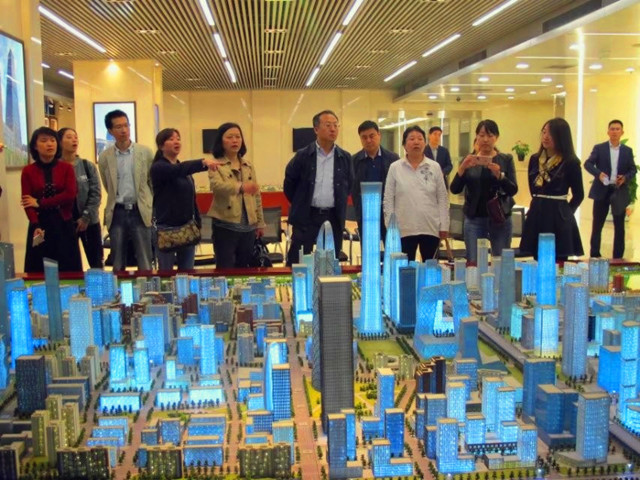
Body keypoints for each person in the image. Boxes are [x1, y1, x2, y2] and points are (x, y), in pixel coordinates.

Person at [284, 110, 353, 265]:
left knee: (329, 263)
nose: (333, 129)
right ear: (316, 129)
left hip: (333, 217)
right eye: (328, 125)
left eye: (336, 125)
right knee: (299, 261)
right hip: (306, 216)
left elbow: (349, 185)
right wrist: (300, 202)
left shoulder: (345, 157)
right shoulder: (302, 155)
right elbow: (289, 183)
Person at [150, 128, 221, 271]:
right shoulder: (159, 167)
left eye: (178, 138)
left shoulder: (183, 169)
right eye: (171, 139)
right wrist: (202, 162)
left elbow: (191, 197)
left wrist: (197, 222)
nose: (176, 142)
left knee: (187, 273)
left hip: (187, 228)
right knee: (166, 274)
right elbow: (177, 170)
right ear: (161, 146)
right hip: (166, 229)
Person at [450, 120, 518, 263]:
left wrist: (500, 176)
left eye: (490, 135)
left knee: (500, 261)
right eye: (481, 135)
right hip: (474, 218)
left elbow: (513, 189)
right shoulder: (469, 160)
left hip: (500, 218)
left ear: (496, 137)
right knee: (473, 262)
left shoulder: (505, 159)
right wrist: (462, 168)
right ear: (476, 137)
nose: (485, 139)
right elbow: (455, 189)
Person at [520, 118, 584, 261]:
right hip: (538, 211)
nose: (546, 137)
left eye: (551, 133)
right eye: (544, 132)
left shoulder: (570, 161)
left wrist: (566, 213)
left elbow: (579, 195)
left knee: (559, 258)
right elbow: (533, 189)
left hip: (559, 214)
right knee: (537, 257)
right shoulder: (535, 159)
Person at [98, 109, 154, 272]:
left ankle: (146, 286)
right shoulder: (105, 157)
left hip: (140, 210)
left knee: (145, 259)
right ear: (110, 131)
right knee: (117, 261)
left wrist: (149, 204)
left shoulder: (145, 152)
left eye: (126, 125)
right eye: (118, 127)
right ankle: (119, 288)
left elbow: (151, 182)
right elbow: (108, 185)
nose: (124, 130)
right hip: (118, 211)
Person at [383, 126, 449, 261]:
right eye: (411, 139)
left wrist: (444, 225)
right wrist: (390, 225)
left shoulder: (434, 167)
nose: (416, 142)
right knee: (405, 268)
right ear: (404, 145)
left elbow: (442, 198)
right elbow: (388, 198)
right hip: (404, 228)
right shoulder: (395, 167)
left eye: (420, 139)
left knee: (430, 268)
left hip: (430, 227)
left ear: (425, 143)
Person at [21, 127, 82, 273]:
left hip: (63, 222)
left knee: (67, 267)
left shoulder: (66, 168)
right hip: (39, 224)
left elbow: (70, 194)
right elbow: (27, 202)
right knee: (38, 268)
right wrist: (35, 224)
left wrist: (40, 202)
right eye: (44, 141)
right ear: (35, 146)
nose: (49, 144)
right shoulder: (28, 171)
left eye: (53, 140)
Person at [206, 123, 265, 269]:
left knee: (244, 268)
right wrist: (240, 187)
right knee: (225, 268)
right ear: (221, 141)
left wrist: (260, 222)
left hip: (248, 227)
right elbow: (217, 187)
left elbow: (256, 196)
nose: (235, 140)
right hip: (225, 225)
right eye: (230, 137)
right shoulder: (215, 164)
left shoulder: (248, 165)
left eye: (238, 137)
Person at [584, 119, 636, 259]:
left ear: (622, 132)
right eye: (612, 129)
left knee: (619, 226)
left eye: (617, 129)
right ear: (608, 132)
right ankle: (595, 255)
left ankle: (618, 258)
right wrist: (598, 174)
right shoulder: (599, 148)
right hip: (602, 189)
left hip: (618, 190)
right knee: (597, 225)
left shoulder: (627, 151)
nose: (614, 131)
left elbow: (633, 169)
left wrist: (625, 177)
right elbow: (588, 164)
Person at [58, 127, 103, 268]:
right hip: (65, 222)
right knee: (69, 264)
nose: (74, 140)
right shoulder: (56, 167)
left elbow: (95, 193)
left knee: (96, 262)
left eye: (75, 137)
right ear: (60, 142)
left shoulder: (87, 165)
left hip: (90, 221)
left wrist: (85, 217)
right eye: (69, 137)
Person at [351, 120, 399, 240]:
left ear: (379, 135)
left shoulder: (393, 159)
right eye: (364, 137)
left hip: (389, 213)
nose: (368, 140)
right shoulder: (354, 161)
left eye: (371, 136)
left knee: (391, 247)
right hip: (365, 214)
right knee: (369, 248)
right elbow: (353, 189)